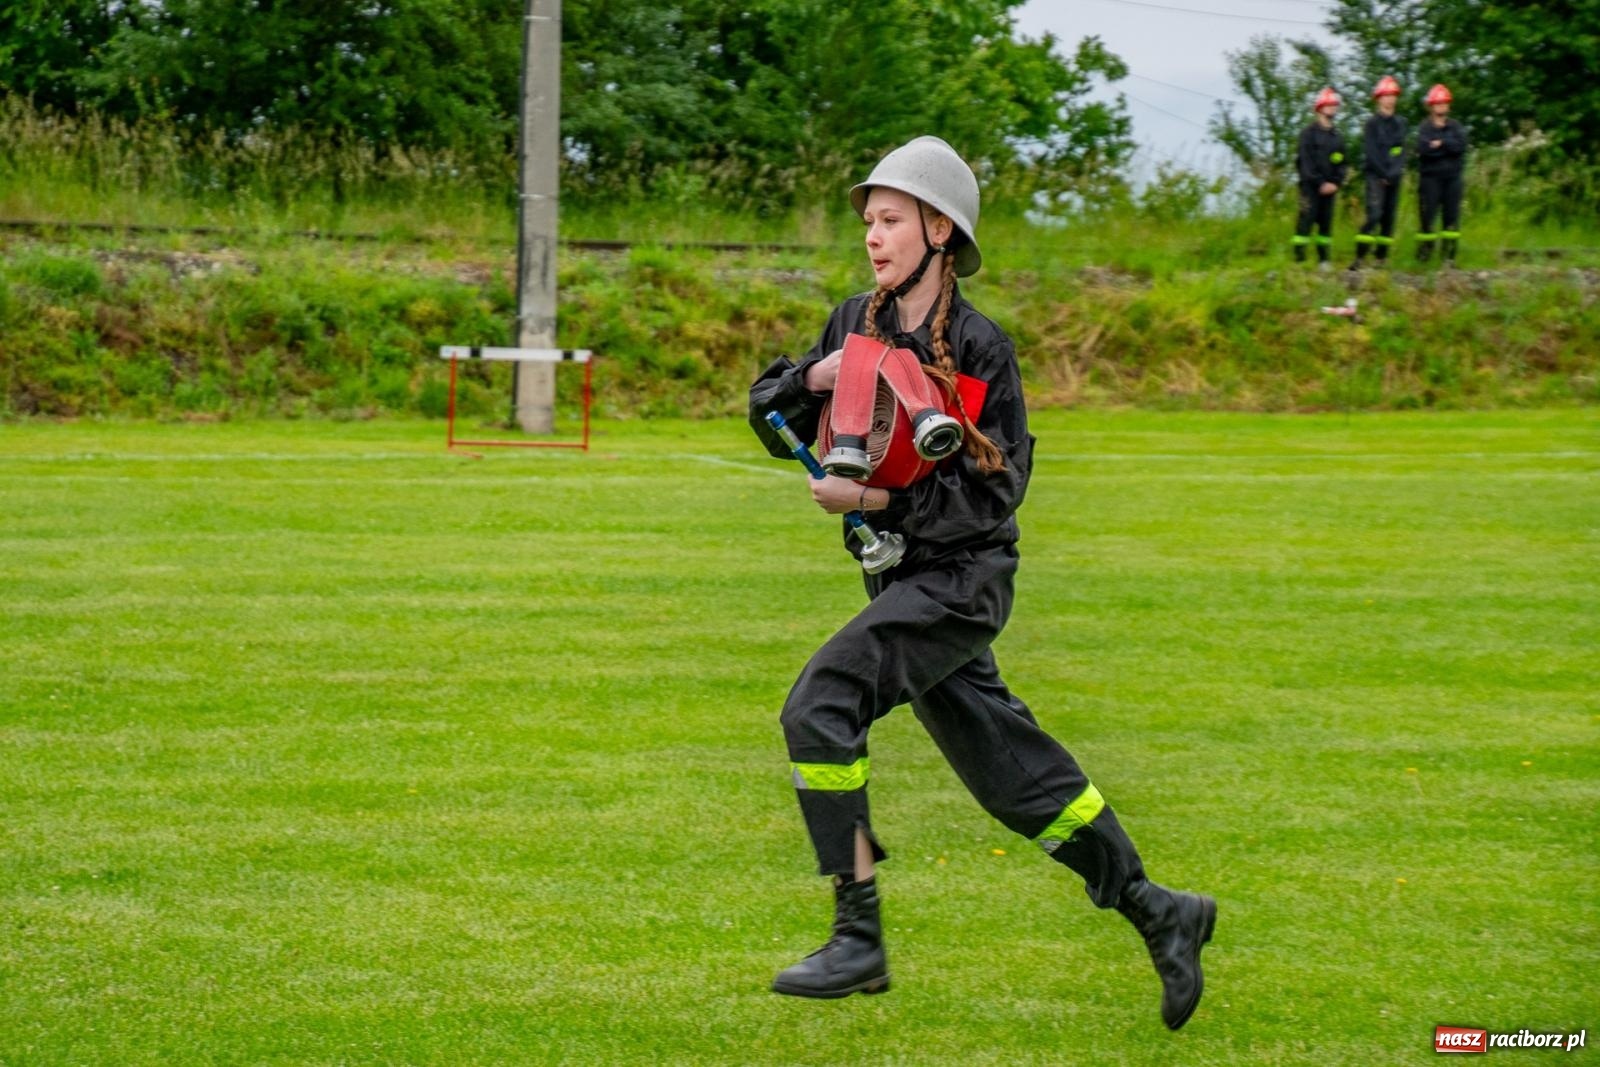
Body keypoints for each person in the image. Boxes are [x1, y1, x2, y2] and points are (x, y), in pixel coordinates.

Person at [746, 135, 1216, 1030]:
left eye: (890, 220)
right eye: (870, 222)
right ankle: (1160, 910)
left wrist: (875, 494)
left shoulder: (980, 347)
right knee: (1016, 779)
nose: (874, 238)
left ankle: (859, 936)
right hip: (899, 587)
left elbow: (993, 496)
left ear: (938, 227)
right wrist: (819, 373)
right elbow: (768, 414)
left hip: (961, 580)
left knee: (820, 705)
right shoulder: (853, 321)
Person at [1352, 76, 1407, 270]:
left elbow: (1400, 150)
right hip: (1375, 175)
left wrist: (1394, 173)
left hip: (1394, 176)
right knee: (1374, 214)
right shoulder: (1371, 124)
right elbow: (1371, 153)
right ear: (1378, 99)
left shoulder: (1400, 123)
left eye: (1393, 95)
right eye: (1386, 96)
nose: (1390, 99)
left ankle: (1381, 258)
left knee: (1388, 219)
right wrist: (1383, 174)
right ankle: (1359, 256)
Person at [1293, 87, 1348, 270]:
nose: (1332, 109)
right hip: (1310, 187)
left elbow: (1341, 162)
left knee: (1326, 225)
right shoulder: (1308, 134)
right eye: (1329, 105)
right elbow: (1305, 163)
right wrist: (1320, 183)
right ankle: (1299, 260)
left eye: (1334, 105)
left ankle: (1324, 260)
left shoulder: (1337, 138)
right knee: (1305, 222)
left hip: (1330, 189)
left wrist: (1336, 183)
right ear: (1319, 108)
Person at [1416, 83, 1468, 265]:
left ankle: (1449, 258)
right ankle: (1424, 256)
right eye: (1437, 103)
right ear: (1431, 106)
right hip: (1430, 179)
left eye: (1444, 103)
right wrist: (1447, 147)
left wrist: (1441, 143)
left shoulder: (1456, 126)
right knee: (1427, 217)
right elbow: (1424, 150)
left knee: (1451, 218)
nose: (1441, 106)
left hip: (1453, 178)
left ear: (1448, 105)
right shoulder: (1425, 128)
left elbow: (1460, 147)